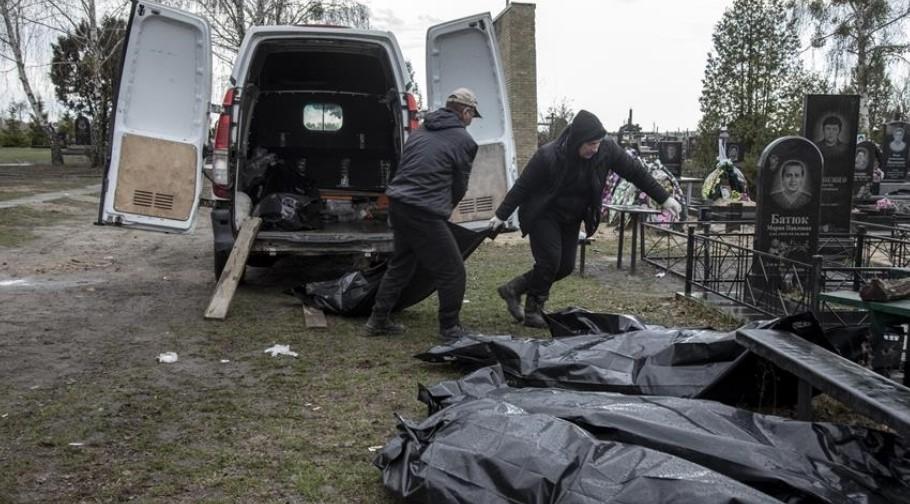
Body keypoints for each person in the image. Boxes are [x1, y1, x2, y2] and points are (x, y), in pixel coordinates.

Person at [488, 110, 681, 327]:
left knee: (565, 267)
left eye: (597, 143)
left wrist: (664, 198)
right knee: (550, 261)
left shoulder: (606, 150)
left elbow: (635, 172)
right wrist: (500, 215)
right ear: (577, 140)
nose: (595, 148)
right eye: (590, 144)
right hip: (544, 213)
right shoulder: (548, 155)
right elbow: (522, 186)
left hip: (573, 216)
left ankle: (513, 289)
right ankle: (534, 310)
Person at [364, 88, 480, 341]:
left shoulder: (420, 132)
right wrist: (445, 208)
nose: (472, 120)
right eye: (472, 115)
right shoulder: (465, 141)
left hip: (399, 203)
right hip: (424, 210)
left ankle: (377, 319)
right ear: (466, 112)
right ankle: (450, 329)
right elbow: (459, 184)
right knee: (453, 270)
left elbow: (407, 167)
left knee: (401, 264)